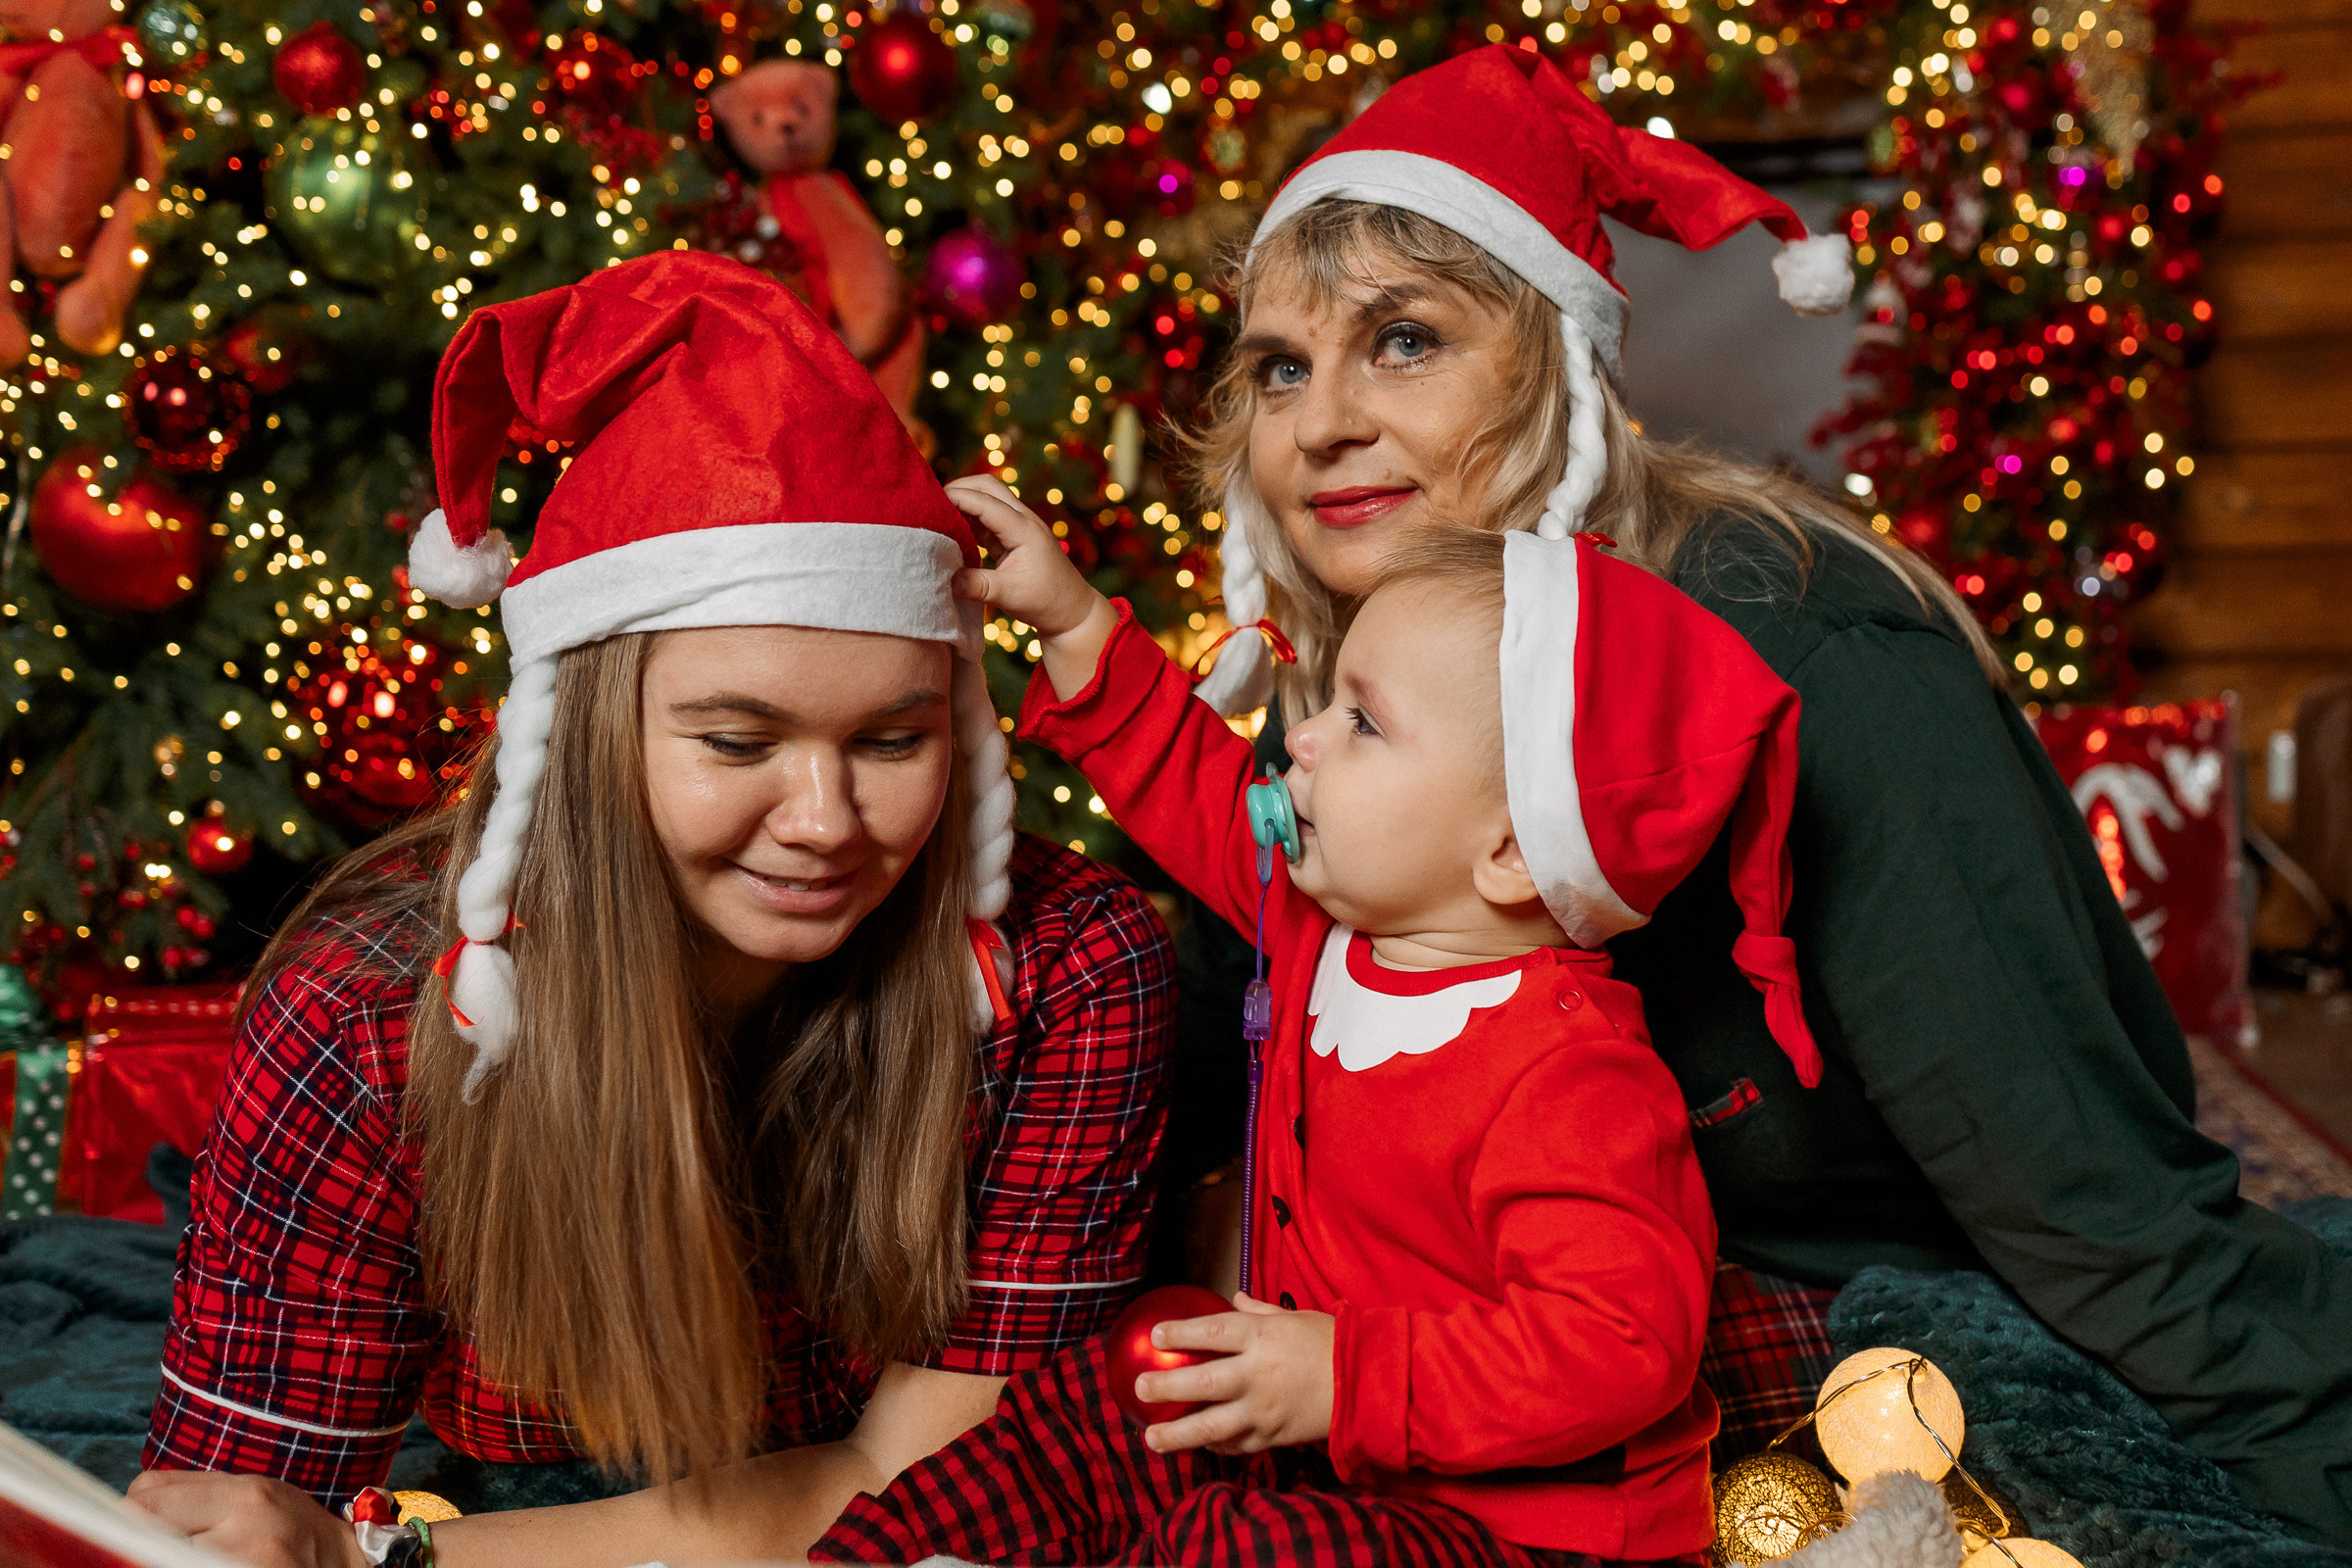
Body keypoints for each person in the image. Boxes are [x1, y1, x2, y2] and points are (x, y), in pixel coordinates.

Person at [1183, 42, 2352, 1545]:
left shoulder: (1807, 655)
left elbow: (2099, 1210)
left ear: (1553, 363)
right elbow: (1233, 993)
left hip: (1871, 1331)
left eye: (1402, 341)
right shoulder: (1368, 677)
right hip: (1506, 1346)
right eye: (1280, 365)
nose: (1319, 422)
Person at [128, 252, 1177, 1567]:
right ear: (582, 736)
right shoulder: (367, 1012)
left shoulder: (1069, 968)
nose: (825, 820)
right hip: (503, 1485)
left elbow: (922, 1495)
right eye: (738, 742)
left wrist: (388, 1560)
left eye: (891, 742)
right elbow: (240, 1529)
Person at [808, 477, 1822, 1567]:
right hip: (1327, 1449)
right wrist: (1070, 619)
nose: (1305, 739)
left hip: (1523, 1533)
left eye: (1365, 721)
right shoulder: (1315, 924)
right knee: (1091, 1408)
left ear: (1515, 850)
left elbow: (1620, 1346)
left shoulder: (1573, 1076)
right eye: (1332, 699)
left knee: (1256, 1550)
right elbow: (1189, 778)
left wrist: (1345, 1376)